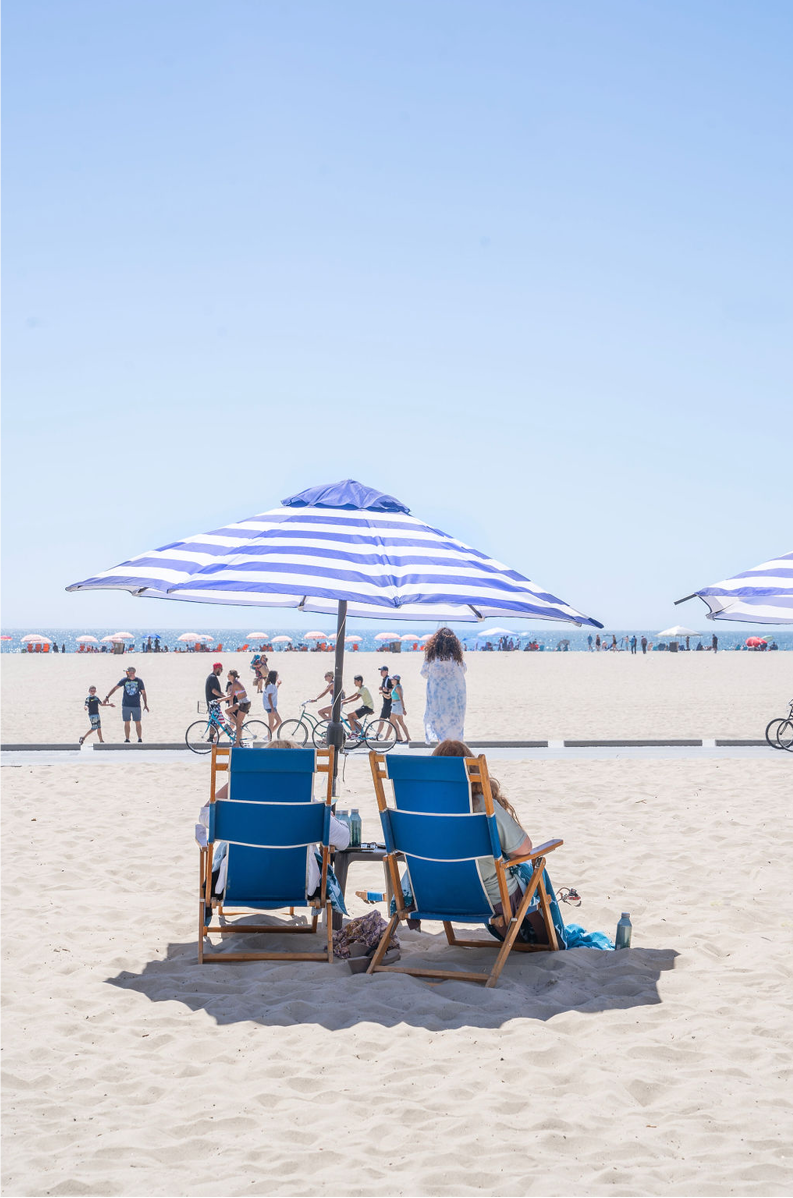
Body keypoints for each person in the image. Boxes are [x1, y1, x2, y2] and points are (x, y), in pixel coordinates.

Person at [431, 740, 549, 943]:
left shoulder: (421, 810)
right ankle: (543, 940)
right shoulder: (482, 805)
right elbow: (523, 849)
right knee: (531, 874)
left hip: (436, 894)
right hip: (487, 897)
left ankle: (514, 943)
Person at [421, 627, 467, 743]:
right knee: (454, 733)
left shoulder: (432, 659)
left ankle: (441, 752)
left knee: (439, 731)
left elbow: (424, 673)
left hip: (437, 702)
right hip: (455, 702)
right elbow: (464, 670)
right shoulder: (456, 660)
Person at [105, 666, 149, 743]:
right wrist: (107, 697)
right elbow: (115, 688)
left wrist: (145, 704)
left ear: (132, 673)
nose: (126, 673)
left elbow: (143, 693)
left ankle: (139, 738)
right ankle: (127, 739)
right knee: (126, 722)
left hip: (136, 705)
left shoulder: (139, 681)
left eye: (127, 672)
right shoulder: (124, 680)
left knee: (138, 722)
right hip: (126, 704)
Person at [343, 674, 374, 739]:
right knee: (352, 718)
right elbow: (353, 695)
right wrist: (344, 700)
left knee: (349, 716)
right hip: (366, 706)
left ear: (359, 681)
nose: (354, 683)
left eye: (355, 681)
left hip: (367, 707)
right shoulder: (361, 688)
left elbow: (356, 698)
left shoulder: (364, 688)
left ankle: (354, 733)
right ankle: (364, 733)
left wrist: (347, 702)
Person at [224, 669, 250, 746]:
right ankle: (238, 723)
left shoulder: (235, 683)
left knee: (238, 725)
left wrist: (220, 700)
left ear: (232, 676)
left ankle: (237, 743)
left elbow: (231, 696)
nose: (227, 677)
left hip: (244, 703)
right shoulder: (232, 683)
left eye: (228, 676)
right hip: (241, 702)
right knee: (227, 710)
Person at [374, 664, 394, 738]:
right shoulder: (385, 679)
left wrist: (387, 690)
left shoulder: (388, 679)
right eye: (381, 671)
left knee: (381, 719)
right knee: (393, 721)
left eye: (382, 671)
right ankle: (399, 737)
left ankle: (377, 735)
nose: (381, 672)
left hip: (388, 703)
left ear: (386, 671)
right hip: (387, 702)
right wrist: (382, 688)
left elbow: (395, 689)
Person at [389, 674, 411, 743]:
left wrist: (404, 709)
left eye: (392, 679)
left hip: (397, 706)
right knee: (401, 723)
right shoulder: (396, 687)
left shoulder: (398, 688)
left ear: (396, 680)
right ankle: (408, 738)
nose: (391, 680)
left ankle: (385, 738)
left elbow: (401, 698)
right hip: (396, 705)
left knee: (391, 722)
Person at [262, 670, 282, 735]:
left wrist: (278, 685)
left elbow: (273, 692)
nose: (278, 676)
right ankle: (268, 738)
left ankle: (268, 736)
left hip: (271, 706)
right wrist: (272, 708)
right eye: (277, 675)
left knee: (279, 721)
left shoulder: (271, 685)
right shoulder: (270, 685)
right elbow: (269, 697)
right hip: (270, 707)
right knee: (271, 723)